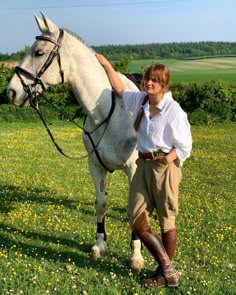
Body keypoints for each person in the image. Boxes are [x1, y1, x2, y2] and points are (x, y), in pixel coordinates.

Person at [96, 53, 192, 289]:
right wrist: (107, 64)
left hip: (164, 167)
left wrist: (166, 159)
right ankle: (169, 271)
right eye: (148, 78)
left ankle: (163, 272)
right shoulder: (140, 100)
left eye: (155, 80)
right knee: (137, 219)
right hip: (142, 164)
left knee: (166, 221)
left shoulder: (173, 110)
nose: (149, 83)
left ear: (164, 84)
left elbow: (185, 145)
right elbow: (119, 89)